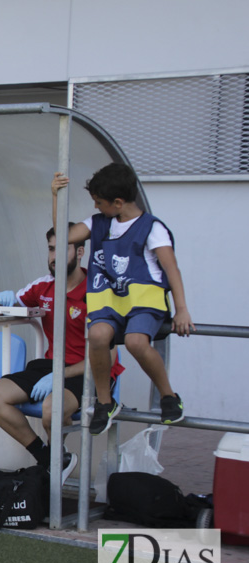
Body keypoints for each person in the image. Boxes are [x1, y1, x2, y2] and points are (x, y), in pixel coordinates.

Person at [56, 164, 193, 434]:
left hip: (144, 303)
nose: (95, 207)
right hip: (110, 303)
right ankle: (105, 403)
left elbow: (171, 269)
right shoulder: (98, 223)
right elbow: (63, 237)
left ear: (118, 203)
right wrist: (54, 197)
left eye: (99, 202)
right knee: (96, 336)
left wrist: (182, 310)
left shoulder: (152, 228)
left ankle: (168, 396)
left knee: (135, 341)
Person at [0, 224, 123, 480]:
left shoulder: (98, 289)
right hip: (51, 366)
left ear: (80, 252)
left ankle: (56, 461)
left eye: (62, 248)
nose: (54, 256)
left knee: (52, 409)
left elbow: (110, 357)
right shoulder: (43, 285)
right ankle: (49, 458)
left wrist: (59, 376)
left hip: (91, 370)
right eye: (50, 249)